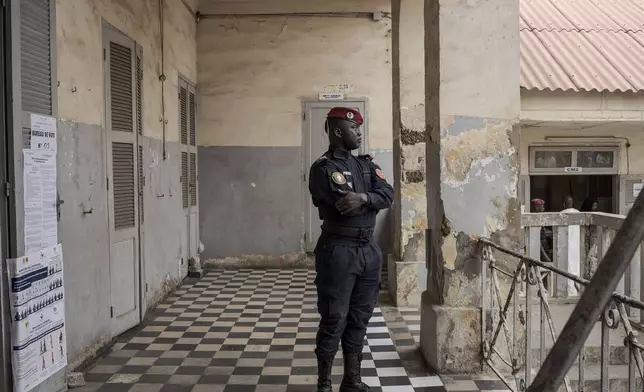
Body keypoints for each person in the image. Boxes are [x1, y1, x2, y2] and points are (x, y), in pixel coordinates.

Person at [308, 107, 394, 392]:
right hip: (339, 250)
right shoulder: (324, 168)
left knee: (360, 315)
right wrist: (365, 199)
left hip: (369, 249)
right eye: (353, 128)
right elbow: (343, 205)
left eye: (358, 127)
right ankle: (323, 384)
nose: (358, 132)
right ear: (337, 131)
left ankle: (352, 380)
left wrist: (363, 197)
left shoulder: (366, 164)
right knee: (335, 316)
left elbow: (387, 194)